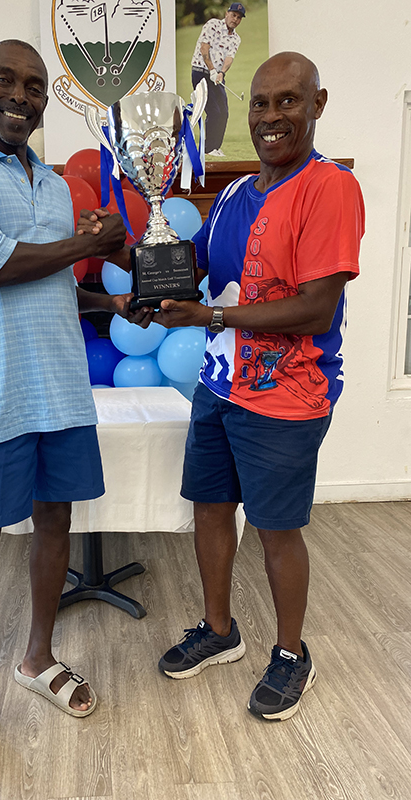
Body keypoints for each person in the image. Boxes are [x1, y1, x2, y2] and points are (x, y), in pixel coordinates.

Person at [80, 52, 364, 722]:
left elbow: (315, 308)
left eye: (288, 100)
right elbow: (188, 271)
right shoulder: (236, 194)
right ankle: (219, 630)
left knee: (275, 529)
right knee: (211, 508)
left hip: (288, 395)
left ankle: (291, 653)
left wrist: (208, 318)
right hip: (219, 383)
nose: (271, 116)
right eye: (261, 103)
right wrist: (120, 252)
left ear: (317, 104)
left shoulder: (330, 188)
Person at [0, 39, 151, 794]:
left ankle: (37, 658)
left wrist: (107, 299)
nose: (19, 96)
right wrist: (84, 243)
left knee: (56, 523)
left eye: (33, 85)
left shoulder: (54, 184)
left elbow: (50, 281)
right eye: (5, 81)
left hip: (58, 387)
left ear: (44, 100)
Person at [191, 2, 245, 157]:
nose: (235, 19)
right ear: (227, 13)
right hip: (200, 72)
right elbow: (204, 48)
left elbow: (229, 58)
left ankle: (215, 147)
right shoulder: (213, 25)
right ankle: (207, 149)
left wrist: (221, 73)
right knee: (213, 111)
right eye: (233, 15)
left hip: (217, 77)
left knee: (224, 112)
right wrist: (212, 70)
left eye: (239, 17)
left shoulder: (236, 38)